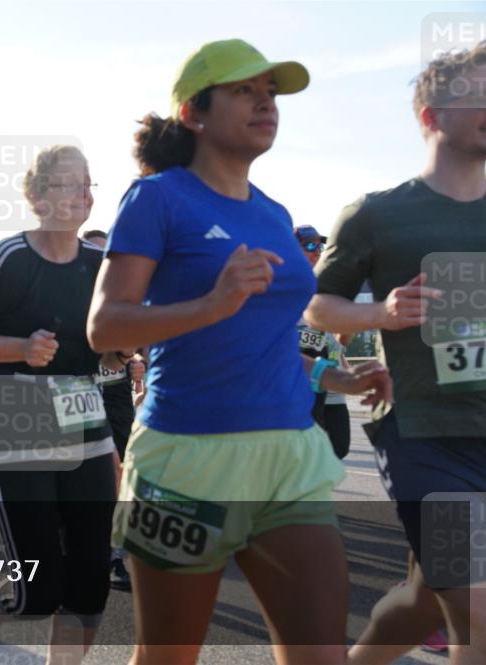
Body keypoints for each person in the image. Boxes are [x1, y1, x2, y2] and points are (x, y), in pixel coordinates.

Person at [86, 40, 394, 665]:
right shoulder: (157, 197)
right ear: (193, 113)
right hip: (186, 460)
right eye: (244, 91)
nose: (266, 104)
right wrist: (209, 305)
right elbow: (104, 328)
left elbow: (272, 341)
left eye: (271, 94)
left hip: (288, 456)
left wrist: (341, 376)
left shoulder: (276, 214)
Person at [305, 41, 486, 665]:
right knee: (479, 611)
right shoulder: (378, 215)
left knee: (424, 600)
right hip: (426, 434)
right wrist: (379, 314)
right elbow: (319, 307)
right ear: (430, 115)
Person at [0, 145, 128, 664]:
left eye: (89, 183)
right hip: (17, 414)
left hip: (83, 416)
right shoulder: (12, 257)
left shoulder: (102, 263)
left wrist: (123, 348)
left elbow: (112, 338)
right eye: (69, 183)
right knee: (38, 589)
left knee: (91, 581)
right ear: (37, 197)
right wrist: (22, 350)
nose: (83, 194)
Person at [83, 229, 147, 591]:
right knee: (99, 473)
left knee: (120, 472)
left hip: (116, 398)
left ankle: (112, 552)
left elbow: (134, 344)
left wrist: (134, 359)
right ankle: (103, 551)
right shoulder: (72, 297)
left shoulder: (121, 300)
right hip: (74, 398)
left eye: (102, 254)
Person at [294, 224, 352, 460]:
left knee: (339, 447)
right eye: (309, 245)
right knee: (307, 451)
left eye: (320, 246)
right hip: (302, 382)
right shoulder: (284, 286)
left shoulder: (328, 287)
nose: (317, 251)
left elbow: (335, 339)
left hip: (331, 380)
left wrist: (346, 335)